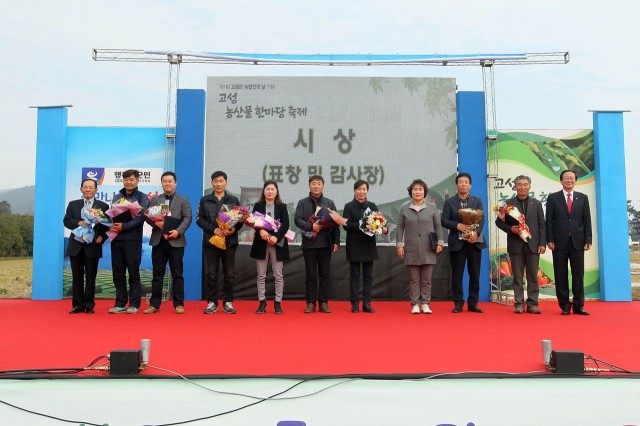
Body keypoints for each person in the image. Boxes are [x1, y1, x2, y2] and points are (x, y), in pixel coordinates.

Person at [495, 175, 546, 314]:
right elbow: (498, 222)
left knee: (533, 275)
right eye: (519, 184)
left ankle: (532, 304)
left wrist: (542, 243)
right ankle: (518, 303)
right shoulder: (507, 204)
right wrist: (510, 229)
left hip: (533, 244)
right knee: (517, 276)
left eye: (525, 184)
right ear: (515, 186)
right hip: (515, 244)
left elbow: (542, 225)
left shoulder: (536, 203)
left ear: (530, 186)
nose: (522, 187)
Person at [143, 172, 192, 315]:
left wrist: (178, 231)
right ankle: (154, 305)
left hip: (176, 240)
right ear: (162, 183)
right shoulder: (155, 200)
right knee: (157, 274)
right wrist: (156, 224)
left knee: (177, 274)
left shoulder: (183, 200)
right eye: (165, 181)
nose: (167, 184)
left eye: (170, 181)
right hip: (159, 241)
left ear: (175, 183)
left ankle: (179, 304)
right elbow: (147, 217)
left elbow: (187, 218)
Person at [546, 169, 592, 315]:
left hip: (577, 242)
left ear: (575, 181)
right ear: (561, 181)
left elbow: (587, 221)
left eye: (572, 178)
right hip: (559, 242)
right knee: (560, 275)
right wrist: (550, 239)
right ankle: (565, 305)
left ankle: (579, 305)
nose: (569, 180)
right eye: (566, 178)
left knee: (578, 275)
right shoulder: (553, 198)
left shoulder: (583, 198)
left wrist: (588, 238)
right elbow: (549, 221)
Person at [196, 171, 243, 314]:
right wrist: (214, 229)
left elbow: (241, 219)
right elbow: (199, 219)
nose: (218, 184)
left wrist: (233, 230)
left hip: (229, 242)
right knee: (211, 273)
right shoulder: (205, 200)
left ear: (226, 182)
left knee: (229, 273)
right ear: (212, 183)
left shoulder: (233, 200)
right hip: (211, 241)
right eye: (215, 181)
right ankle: (212, 302)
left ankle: (228, 302)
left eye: (221, 181)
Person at [396, 179, 444, 314]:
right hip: (411, 248)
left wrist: (440, 242)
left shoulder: (432, 207)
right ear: (411, 192)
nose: (418, 192)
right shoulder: (404, 207)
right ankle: (415, 304)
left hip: (429, 247)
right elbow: (400, 227)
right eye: (415, 189)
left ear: (425, 192)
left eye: (420, 189)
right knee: (413, 279)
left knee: (427, 279)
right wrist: (399, 244)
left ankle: (426, 303)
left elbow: (438, 226)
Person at [441, 172, 487, 313]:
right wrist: (458, 226)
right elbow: (444, 220)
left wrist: (476, 233)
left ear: (470, 185)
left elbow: (482, 220)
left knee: (475, 274)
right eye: (460, 182)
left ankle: (473, 303)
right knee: (457, 274)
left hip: (474, 242)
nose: (463, 184)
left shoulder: (477, 201)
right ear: (456, 185)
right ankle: (458, 303)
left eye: (466, 182)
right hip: (457, 242)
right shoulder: (449, 202)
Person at [63, 178, 109, 314]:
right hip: (76, 244)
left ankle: (89, 305)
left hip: (93, 246)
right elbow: (66, 221)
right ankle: (77, 305)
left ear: (96, 190)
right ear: (81, 189)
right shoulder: (73, 205)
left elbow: (107, 226)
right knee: (76, 276)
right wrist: (79, 222)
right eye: (85, 187)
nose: (88, 189)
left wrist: (102, 237)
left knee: (90, 277)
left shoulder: (103, 206)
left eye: (90, 187)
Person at [294, 175, 340, 313]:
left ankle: (324, 302)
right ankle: (310, 303)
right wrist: (311, 226)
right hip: (309, 244)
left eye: (319, 183)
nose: (316, 186)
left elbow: (336, 223)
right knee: (310, 275)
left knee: (325, 274)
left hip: (326, 244)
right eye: (313, 183)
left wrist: (336, 241)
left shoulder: (329, 203)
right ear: (309, 186)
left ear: (323, 186)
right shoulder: (302, 203)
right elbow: (297, 220)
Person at [108, 169, 150, 314]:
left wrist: (124, 226)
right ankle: (120, 303)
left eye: (131, 179)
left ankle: (134, 304)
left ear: (137, 181)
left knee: (133, 272)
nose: (128, 182)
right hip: (117, 239)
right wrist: (112, 224)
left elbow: (140, 218)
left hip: (133, 239)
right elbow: (111, 216)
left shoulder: (143, 198)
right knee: (117, 272)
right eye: (125, 179)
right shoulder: (117, 197)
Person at [342, 179, 387, 313]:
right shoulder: (348, 206)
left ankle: (367, 302)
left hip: (369, 245)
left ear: (367, 191)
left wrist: (382, 228)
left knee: (368, 275)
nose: (361, 192)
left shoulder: (372, 206)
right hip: (354, 244)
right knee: (354, 275)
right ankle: (354, 303)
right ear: (354, 191)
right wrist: (364, 224)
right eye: (359, 189)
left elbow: (379, 224)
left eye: (364, 189)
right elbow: (346, 226)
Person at [249, 180, 290, 314]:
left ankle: (278, 303)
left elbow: (285, 224)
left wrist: (276, 237)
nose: (270, 191)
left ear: (276, 191)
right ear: (264, 191)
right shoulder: (258, 205)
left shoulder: (282, 207)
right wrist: (260, 230)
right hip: (261, 244)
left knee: (278, 275)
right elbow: (254, 222)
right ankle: (262, 302)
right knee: (261, 275)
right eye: (268, 189)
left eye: (273, 189)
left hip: (277, 244)